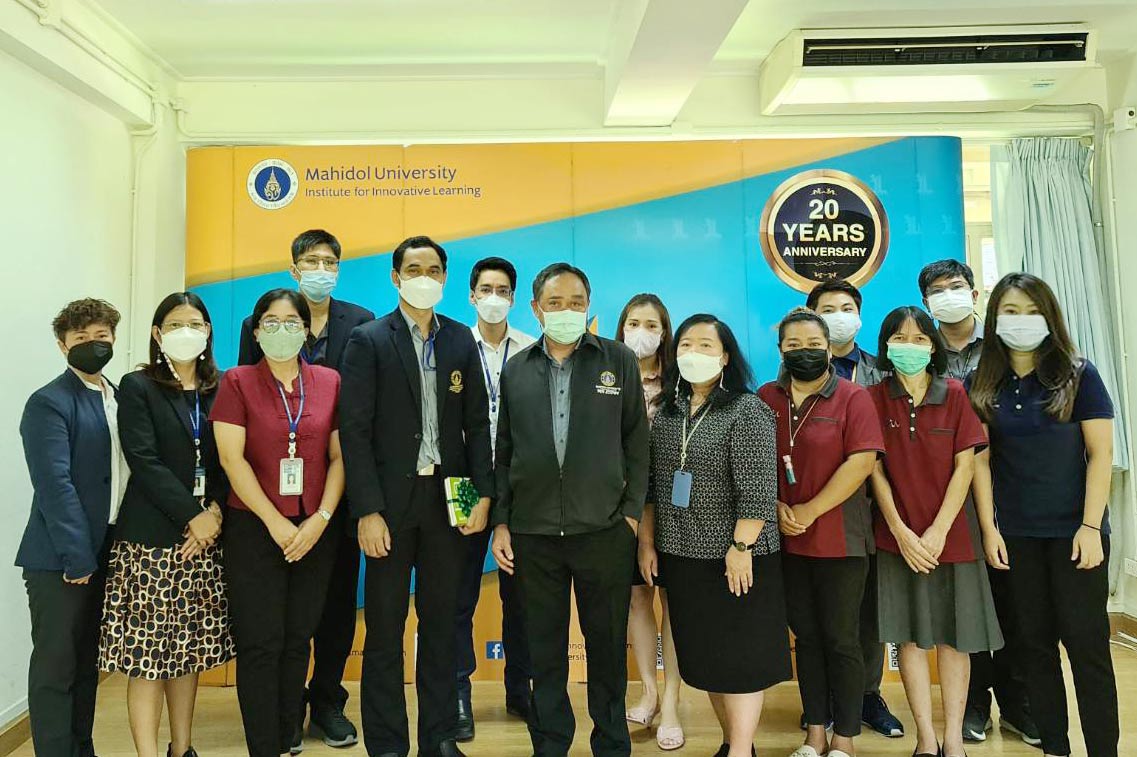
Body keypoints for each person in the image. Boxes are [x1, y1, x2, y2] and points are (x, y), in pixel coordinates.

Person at [340, 236, 494, 757]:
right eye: (413, 269)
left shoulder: (459, 338)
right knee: (385, 629)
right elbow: (354, 432)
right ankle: (387, 743)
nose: (423, 278)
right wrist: (367, 510)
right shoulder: (368, 340)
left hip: (448, 502)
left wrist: (479, 498)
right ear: (395, 277)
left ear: (444, 278)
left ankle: (440, 738)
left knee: (442, 627)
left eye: (432, 270)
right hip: (388, 505)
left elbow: (477, 425)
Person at [491, 262, 650, 757]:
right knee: (544, 652)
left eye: (576, 303)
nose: (566, 311)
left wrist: (628, 515)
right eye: (555, 303)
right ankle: (551, 743)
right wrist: (501, 521)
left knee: (607, 648)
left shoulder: (617, 360)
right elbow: (504, 450)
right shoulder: (517, 367)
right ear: (536, 309)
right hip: (533, 532)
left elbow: (637, 443)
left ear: (589, 306)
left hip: (604, 530)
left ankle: (611, 743)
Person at [969, 273, 1119, 757]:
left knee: (1087, 647)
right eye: (1010, 312)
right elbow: (980, 462)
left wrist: (1091, 527)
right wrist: (990, 529)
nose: (1022, 321)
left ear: (1049, 317)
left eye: (1032, 311)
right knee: (1033, 647)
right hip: (1016, 536)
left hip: (1077, 534)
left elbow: (1101, 455)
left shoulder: (1079, 374)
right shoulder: (980, 382)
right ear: (994, 319)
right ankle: (1055, 746)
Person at [238, 229, 374, 749]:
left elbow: (364, 408)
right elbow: (248, 394)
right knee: (281, 617)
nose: (321, 269)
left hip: (336, 490)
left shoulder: (360, 322)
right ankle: (285, 707)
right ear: (294, 268)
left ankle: (328, 702)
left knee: (335, 606)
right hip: (272, 498)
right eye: (311, 261)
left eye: (329, 261)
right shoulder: (261, 322)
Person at [639, 314, 790, 757]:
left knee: (740, 662)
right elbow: (652, 485)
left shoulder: (747, 410)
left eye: (706, 345)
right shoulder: (667, 413)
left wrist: (741, 548)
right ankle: (731, 743)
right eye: (686, 345)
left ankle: (741, 749)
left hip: (737, 557)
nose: (694, 353)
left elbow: (758, 489)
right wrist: (648, 543)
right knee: (708, 660)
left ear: (725, 357)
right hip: (682, 555)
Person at [98, 293, 233, 757]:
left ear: (208, 331)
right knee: (147, 659)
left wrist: (215, 512)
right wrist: (194, 517)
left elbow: (231, 458)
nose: (186, 331)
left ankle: (183, 747)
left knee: (186, 655)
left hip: (204, 542)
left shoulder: (222, 387)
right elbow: (144, 459)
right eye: (175, 324)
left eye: (195, 323)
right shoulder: (138, 386)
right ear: (158, 333)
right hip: (151, 544)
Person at [212, 288, 345, 757]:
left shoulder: (329, 380)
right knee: (261, 643)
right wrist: (275, 522)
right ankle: (263, 746)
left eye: (292, 322)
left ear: (306, 330)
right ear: (256, 331)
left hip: (314, 530)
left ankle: (289, 736)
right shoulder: (237, 381)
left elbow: (339, 458)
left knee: (297, 639)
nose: (282, 330)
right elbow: (232, 460)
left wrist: (320, 519)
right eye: (271, 322)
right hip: (255, 528)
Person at [867, 306, 1004, 757]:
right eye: (899, 338)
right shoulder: (871, 398)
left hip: (954, 536)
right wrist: (901, 532)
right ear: (886, 346)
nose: (909, 347)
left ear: (933, 346)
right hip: (897, 540)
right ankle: (925, 738)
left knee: (954, 639)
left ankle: (953, 739)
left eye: (919, 339)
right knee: (908, 638)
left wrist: (940, 531)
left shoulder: (956, 394)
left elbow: (967, 465)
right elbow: (874, 469)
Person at [918, 259, 1038, 745]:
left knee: (1012, 602)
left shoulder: (1003, 347)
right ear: (926, 302)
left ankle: (1017, 702)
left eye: (956, 287)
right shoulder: (920, 350)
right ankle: (973, 704)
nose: (947, 295)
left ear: (973, 293)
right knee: (964, 608)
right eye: (937, 290)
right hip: (940, 498)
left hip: (1004, 490)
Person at [758, 308, 883, 757]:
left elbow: (862, 462)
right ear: (780, 351)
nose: (804, 352)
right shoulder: (766, 397)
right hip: (786, 540)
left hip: (841, 540)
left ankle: (844, 738)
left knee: (841, 639)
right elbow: (754, 461)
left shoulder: (853, 397)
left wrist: (810, 510)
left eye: (814, 344)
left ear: (829, 349)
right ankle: (814, 733)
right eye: (793, 345)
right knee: (807, 639)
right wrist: (774, 506)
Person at [17, 298, 127, 757]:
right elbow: (54, 485)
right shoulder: (48, 402)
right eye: (81, 338)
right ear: (63, 346)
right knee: (56, 668)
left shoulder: (120, 396)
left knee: (86, 665)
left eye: (101, 336)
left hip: (107, 551)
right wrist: (78, 557)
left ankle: (82, 749)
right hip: (61, 559)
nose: (93, 344)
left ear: (114, 339)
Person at [805, 280, 901, 739]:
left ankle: (867, 695)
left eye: (847, 308)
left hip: (877, 504)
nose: (839, 316)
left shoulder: (882, 371)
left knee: (867, 611)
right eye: (828, 309)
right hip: (815, 509)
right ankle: (823, 701)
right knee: (822, 614)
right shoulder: (795, 372)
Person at [454, 256, 536, 741]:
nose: (494, 297)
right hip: (465, 482)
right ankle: (458, 693)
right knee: (459, 594)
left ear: (513, 298)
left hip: (517, 483)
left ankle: (520, 688)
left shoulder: (530, 348)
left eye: (502, 290)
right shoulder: (454, 347)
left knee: (520, 595)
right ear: (471, 295)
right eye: (486, 289)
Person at [615, 293, 685, 751]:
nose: (642, 332)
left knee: (672, 603)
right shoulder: (608, 375)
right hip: (622, 511)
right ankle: (648, 691)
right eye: (634, 323)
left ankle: (673, 704)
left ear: (665, 333)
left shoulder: (681, 381)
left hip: (677, 510)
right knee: (637, 598)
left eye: (652, 325)